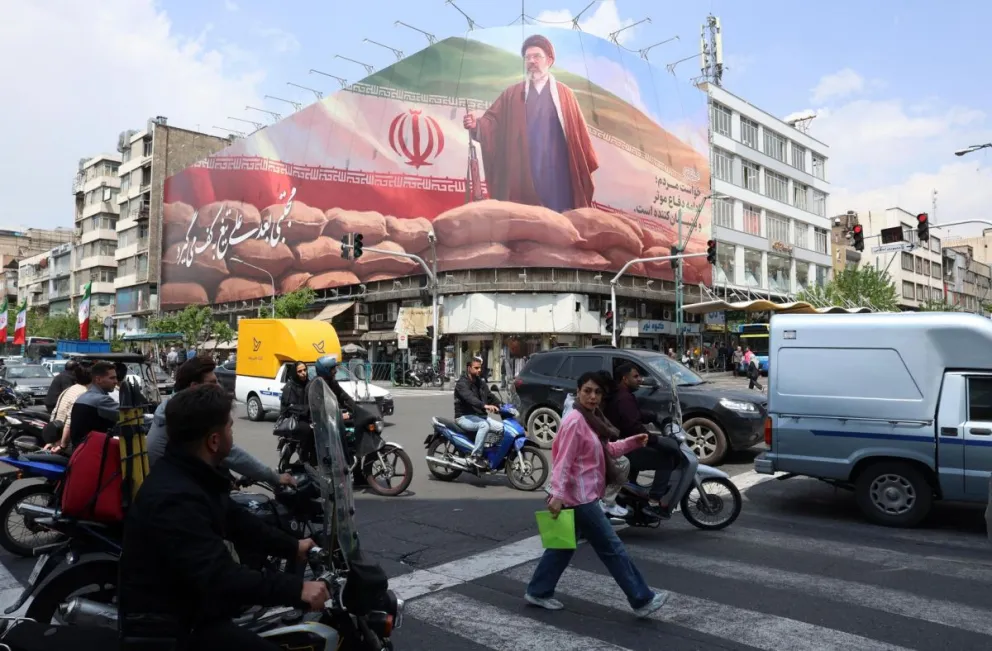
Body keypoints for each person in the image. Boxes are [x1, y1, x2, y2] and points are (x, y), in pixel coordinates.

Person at [119, 385, 329, 651]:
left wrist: (293, 546)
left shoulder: (194, 474)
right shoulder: (175, 498)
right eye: (230, 428)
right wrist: (296, 590)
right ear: (214, 441)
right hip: (171, 627)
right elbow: (220, 575)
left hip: (192, 611)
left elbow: (237, 521)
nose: (233, 433)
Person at [526, 371, 668, 618]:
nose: (592, 396)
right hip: (580, 499)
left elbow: (607, 450)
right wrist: (557, 494)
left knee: (561, 547)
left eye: (597, 392)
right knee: (612, 549)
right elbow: (563, 461)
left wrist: (634, 441)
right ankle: (642, 599)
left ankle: (538, 591)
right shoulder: (575, 422)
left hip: (581, 495)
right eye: (587, 391)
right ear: (578, 391)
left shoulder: (591, 419)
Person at [462, 34, 599, 212]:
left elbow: (579, 140)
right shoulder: (512, 94)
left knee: (561, 223)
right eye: (528, 58)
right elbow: (493, 122)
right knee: (526, 219)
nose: (532, 61)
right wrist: (477, 125)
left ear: (549, 60)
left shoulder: (566, 95)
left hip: (558, 173)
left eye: (537, 56)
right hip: (524, 170)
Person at [146, 355, 294, 487]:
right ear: (194, 387)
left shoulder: (172, 406)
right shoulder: (189, 414)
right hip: (178, 488)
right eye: (212, 382)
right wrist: (273, 477)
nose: (219, 387)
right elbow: (230, 454)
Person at [606, 364, 682, 519]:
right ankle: (654, 501)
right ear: (624, 379)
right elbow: (635, 428)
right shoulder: (624, 398)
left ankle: (634, 499)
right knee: (665, 459)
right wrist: (655, 439)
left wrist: (655, 417)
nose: (639, 379)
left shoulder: (624, 395)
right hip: (624, 447)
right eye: (635, 377)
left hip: (623, 444)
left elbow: (636, 415)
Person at [453, 357, 503, 468]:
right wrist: (484, 406)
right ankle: (475, 457)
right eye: (476, 368)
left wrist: (502, 406)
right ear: (469, 368)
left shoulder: (480, 382)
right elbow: (470, 398)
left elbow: (490, 397)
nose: (479, 370)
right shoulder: (462, 383)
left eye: (480, 368)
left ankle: (491, 453)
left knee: (502, 428)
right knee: (484, 425)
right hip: (463, 417)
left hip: (479, 416)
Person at [67, 361, 119, 448]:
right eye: (112, 378)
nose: (116, 381)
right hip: (94, 452)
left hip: (80, 450)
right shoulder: (101, 400)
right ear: (98, 379)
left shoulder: (84, 396)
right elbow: (129, 416)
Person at [44, 363, 92, 453]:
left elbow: (55, 413)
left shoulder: (69, 389)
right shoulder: (84, 394)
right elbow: (70, 421)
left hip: (58, 437)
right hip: (68, 444)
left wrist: (52, 440)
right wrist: (63, 445)